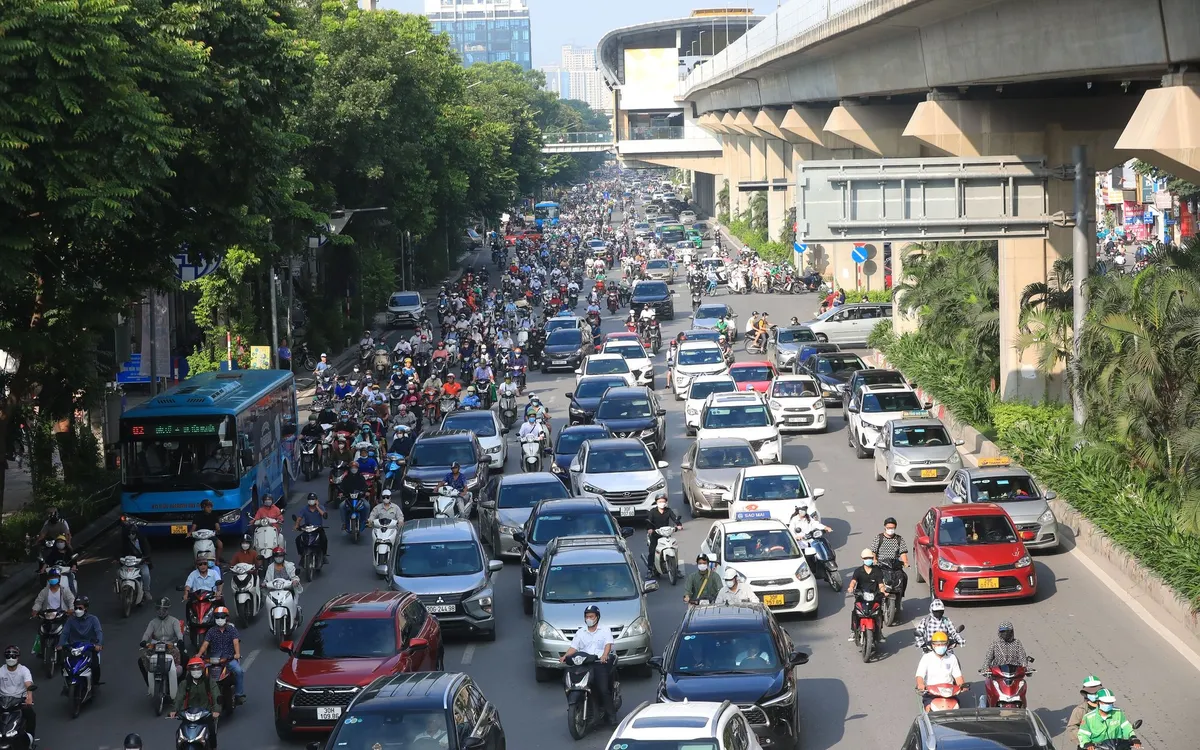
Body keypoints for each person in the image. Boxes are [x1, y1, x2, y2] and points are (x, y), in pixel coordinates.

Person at [559, 605, 618, 725]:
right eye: (587, 616)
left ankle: (611, 716)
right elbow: (573, 648)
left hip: (599, 663)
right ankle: (578, 705)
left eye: (591, 616)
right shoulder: (581, 632)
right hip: (584, 664)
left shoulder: (605, 630)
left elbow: (608, 645)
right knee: (568, 682)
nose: (588, 619)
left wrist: (604, 655)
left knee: (603, 689)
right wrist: (565, 656)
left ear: (597, 617)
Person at [196, 606, 245, 706]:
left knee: (239, 672)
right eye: (217, 617)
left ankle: (239, 695)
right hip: (214, 660)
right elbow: (205, 644)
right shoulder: (211, 631)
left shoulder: (232, 630)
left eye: (222, 617)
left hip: (228, 659)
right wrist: (199, 655)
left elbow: (236, 643)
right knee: (199, 673)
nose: (219, 619)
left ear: (227, 618)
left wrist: (237, 654)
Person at [170, 656, 221, 746]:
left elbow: (216, 695)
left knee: (212, 732)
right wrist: (174, 710)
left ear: (202, 669)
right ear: (189, 671)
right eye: (193, 668)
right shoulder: (185, 683)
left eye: (198, 668)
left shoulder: (209, 682)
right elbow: (179, 697)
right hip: (188, 715)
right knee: (179, 734)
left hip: (206, 714)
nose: (196, 670)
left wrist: (216, 710)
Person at [58, 595, 103, 684]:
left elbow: (99, 632)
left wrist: (99, 644)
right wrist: (61, 644)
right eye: (76, 608)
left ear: (85, 608)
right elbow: (65, 633)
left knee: (95, 666)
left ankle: (94, 683)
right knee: (64, 665)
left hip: (89, 648)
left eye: (80, 608)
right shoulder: (70, 620)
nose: (77, 610)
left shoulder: (93, 619)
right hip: (73, 648)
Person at [138, 597, 183, 683]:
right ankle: (149, 681)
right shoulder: (153, 622)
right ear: (156, 609)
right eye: (159, 609)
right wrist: (143, 641)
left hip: (170, 646)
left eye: (164, 609)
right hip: (156, 646)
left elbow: (178, 632)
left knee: (184, 657)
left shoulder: (174, 621)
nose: (161, 611)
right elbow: (147, 633)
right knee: (141, 660)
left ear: (168, 609)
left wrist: (180, 640)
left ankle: (180, 682)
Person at [914, 631, 963, 710]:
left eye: (943, 644)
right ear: (933, 645)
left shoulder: (952, 658)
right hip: (931, 693)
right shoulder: (926, 658)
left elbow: (958, 677)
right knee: (928, 709)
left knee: (956, 708)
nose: (940, 646)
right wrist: (920, 684)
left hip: (949, 693)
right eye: (938, 644)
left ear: (947, 644)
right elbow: (920, 675)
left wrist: (962, 685)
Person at [845, 548, 886, 641]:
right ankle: (853, 631)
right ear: (862, 559)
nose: (868, 559)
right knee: (855, 612)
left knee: (879, 612)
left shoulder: (877, 571)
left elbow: (880, 584)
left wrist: (883, 591)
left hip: (875, 596)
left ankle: (879, 631)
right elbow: (853, 581)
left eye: (870, 558)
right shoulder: (858, 571)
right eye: (866, 558)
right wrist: (851, 587)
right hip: (861, 596)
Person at [0, 646, 35, 739]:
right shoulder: (1, 671)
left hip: (19, 701)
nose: (11, 658)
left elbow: (28, 684)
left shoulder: (24, 670)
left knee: (31, 715)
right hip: (3, 701)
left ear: (18, 657)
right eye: (8, 656)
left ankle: (30, 738)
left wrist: (29, 697)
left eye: (13, 656)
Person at [116, 515, 154, 600]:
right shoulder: (124, 541)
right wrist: (118, 558)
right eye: (129, 534)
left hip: (141, 562)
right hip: (127, 563)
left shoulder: (142, 539)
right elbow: (119, 550)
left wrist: (145, 558)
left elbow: (147, 550)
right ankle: (119, 590)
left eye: (133, 533)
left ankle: (146, 591)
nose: (131, 535)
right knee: (119, 573)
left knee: (146, 574)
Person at [869, 517, 908, 597]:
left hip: (894, 566)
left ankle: (900, 596)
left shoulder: (899, 539)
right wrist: (875, 559)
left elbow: (903, 553)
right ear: (885, 527)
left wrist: (905, 562)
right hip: (881, 566)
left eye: (892, 528)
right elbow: (873, 551)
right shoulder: (879, 538)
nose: (890, 530)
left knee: (904, 577)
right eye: (888, 528)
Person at [645, 497, 682, 577]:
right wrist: (650, 529)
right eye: (660, 501)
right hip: (655, 535)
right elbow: (649, 522)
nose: (662, 503)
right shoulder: (653, 512)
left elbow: (674, 518)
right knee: (652, 551)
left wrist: (678, 525)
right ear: (657, 502)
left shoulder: (668, 511)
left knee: (674, 549)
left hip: (666, 535)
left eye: (663, 501)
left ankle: (676, 569)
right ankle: (650, 569)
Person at [1068, 676, 1105, 743]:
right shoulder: (1080, 710)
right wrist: (1085, 741)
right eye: (1091, 692)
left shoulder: (1107, 707)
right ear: (1086, 693)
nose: (1094, 694)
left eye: (1096, 692)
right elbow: (1072, 728)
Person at [294, 493, 330, 562]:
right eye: (310, 499)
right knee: (298, 540)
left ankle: (324, 555)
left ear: (316, 500)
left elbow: (325, 516)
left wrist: (317, 507)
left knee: (324, 540)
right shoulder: (304, 509)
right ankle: (301, 555)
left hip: (318, 529)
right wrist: (296, 525)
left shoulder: (320, 507)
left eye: (313, 499)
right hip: (307, 529)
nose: (311, 501)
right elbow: (299, 518)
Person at [188, 498, 224, 563]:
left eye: (211, 507)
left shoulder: (214, 515)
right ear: (203, 508)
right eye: (208, 507)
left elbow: (217, 526)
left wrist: (218, 530)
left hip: (210, 535)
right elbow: (194, 527)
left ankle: (217, 560)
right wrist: (190, 533)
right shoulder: (197, 516)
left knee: (220, 544)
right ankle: (196, 561)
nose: (210, 509)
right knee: (195, 547)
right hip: (200, 536)